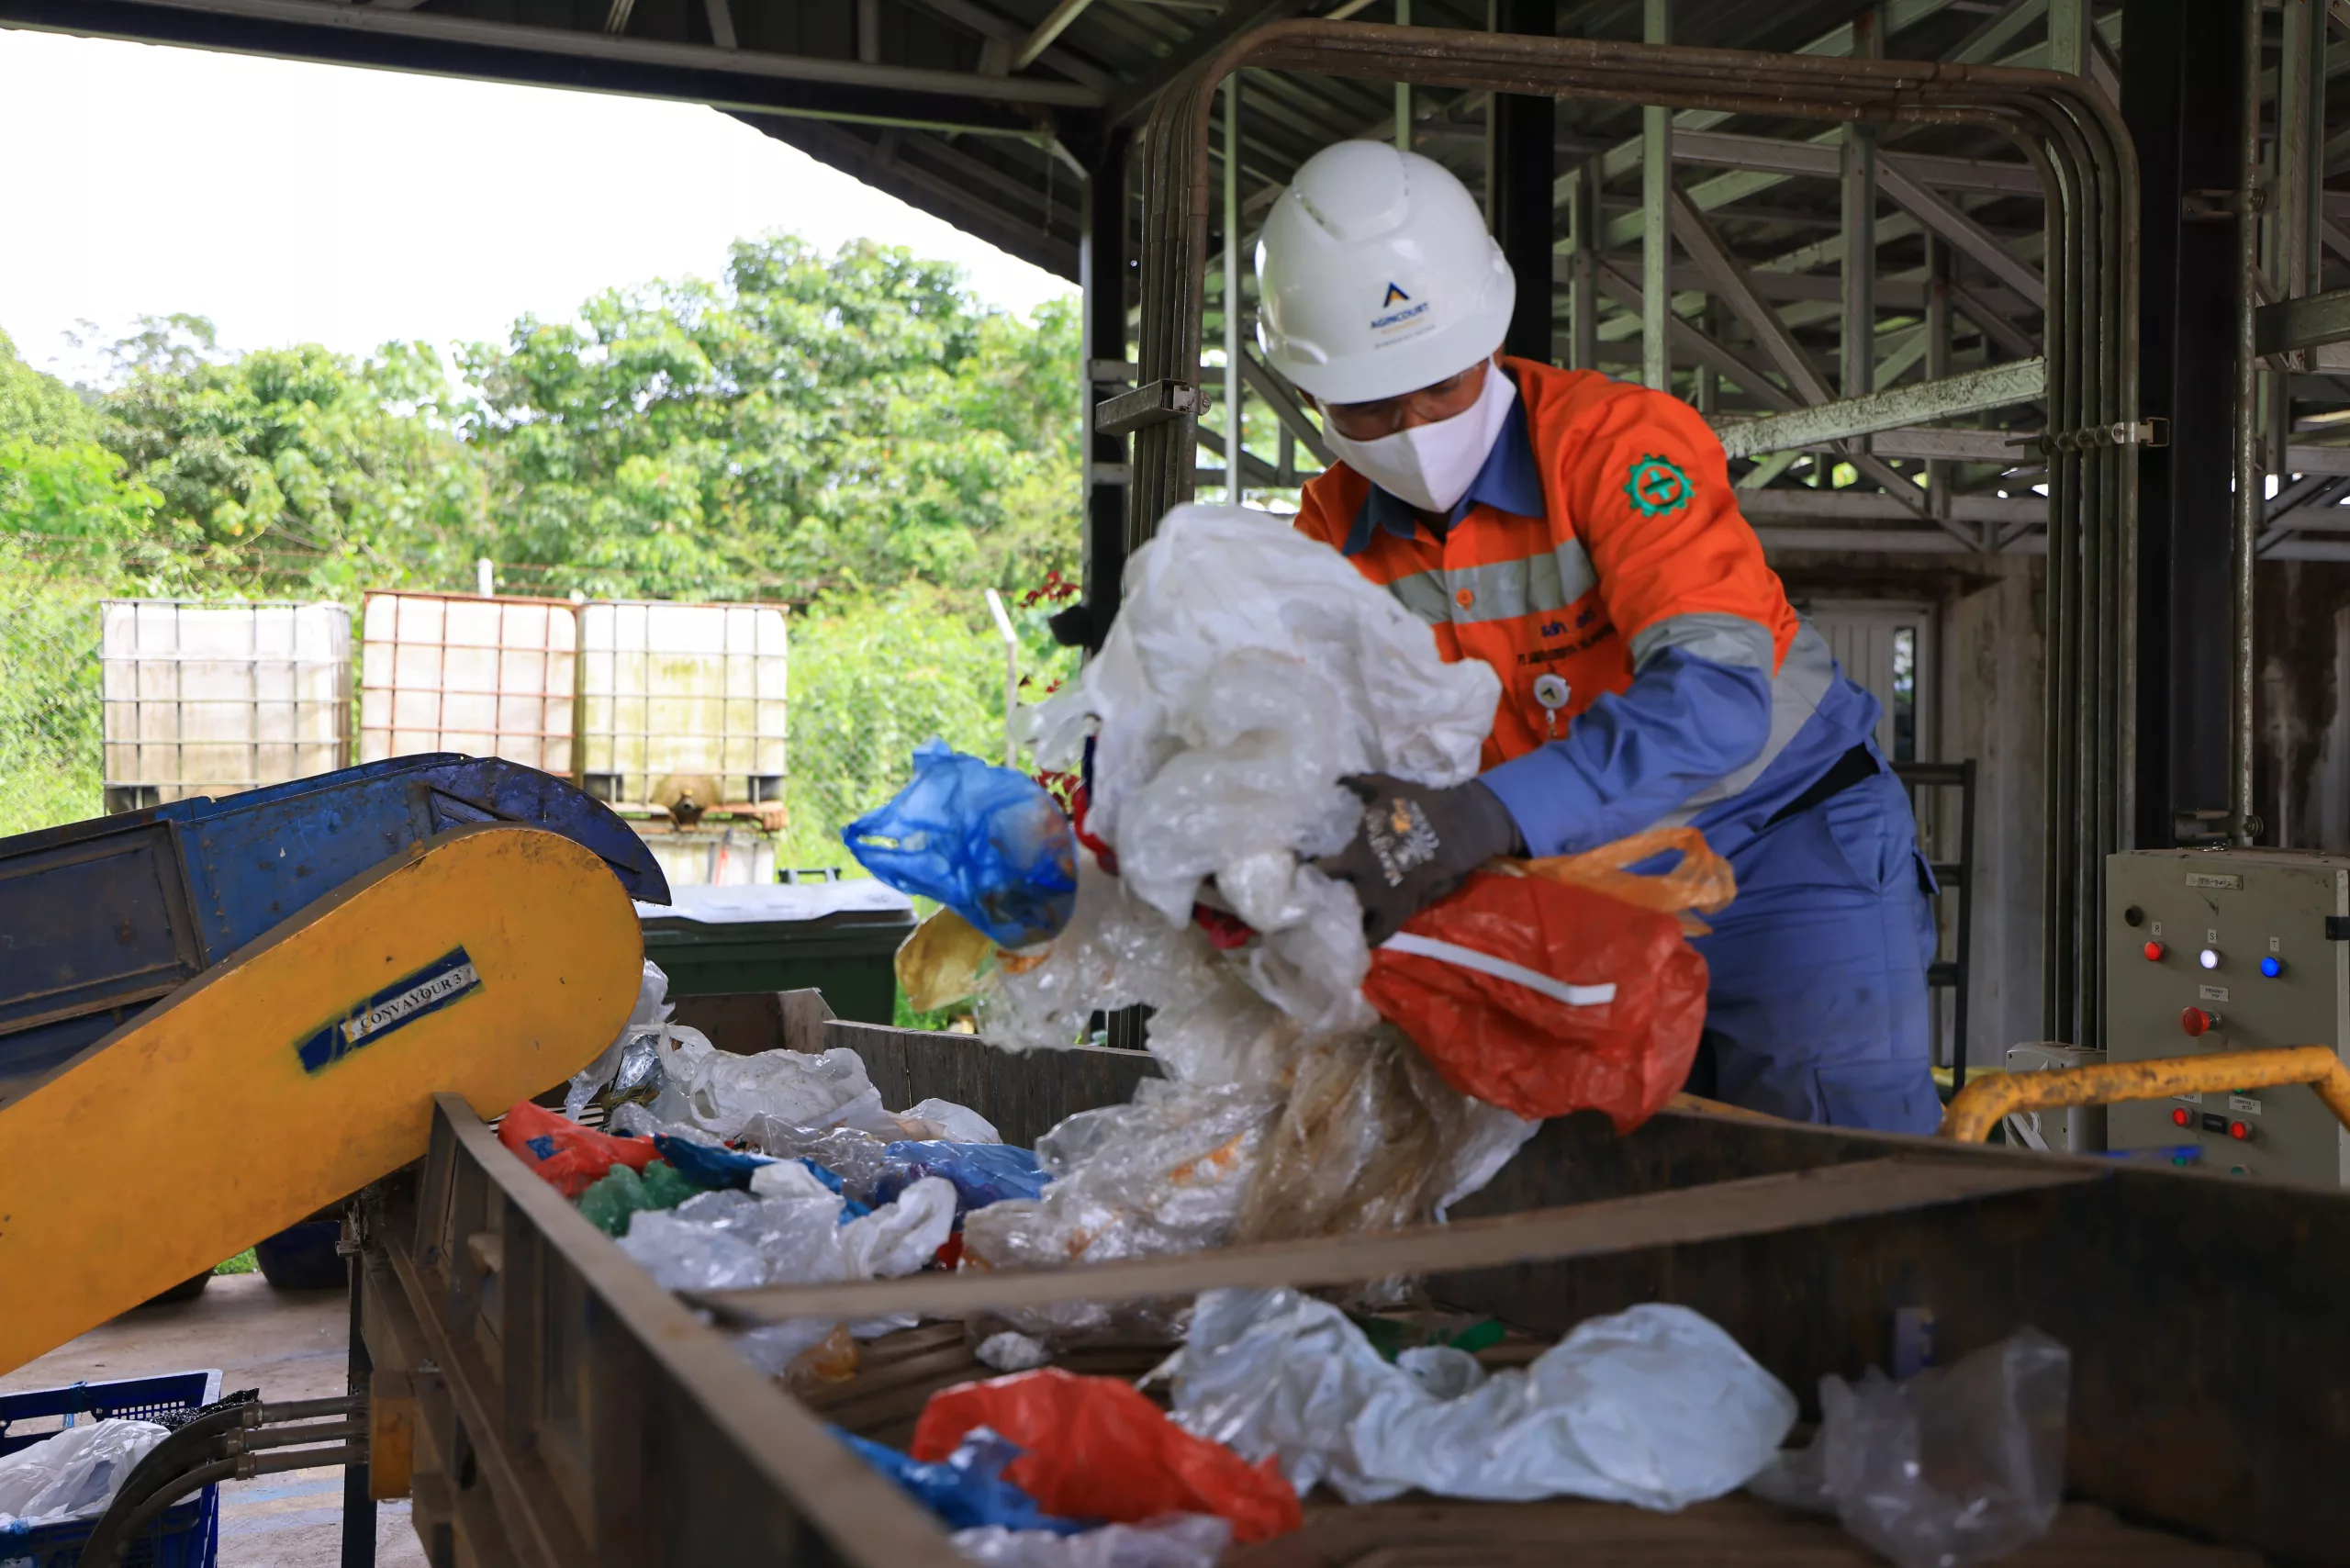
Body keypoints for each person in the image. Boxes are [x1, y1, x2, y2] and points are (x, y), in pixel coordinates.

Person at [1259, 140, 1941, 1134]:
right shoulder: (1328, 530)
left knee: (1835, 1169)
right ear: (1312, 398)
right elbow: (1291, 724)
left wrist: (1483, 816)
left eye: (1440, 385)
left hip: (1780, 842)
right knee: (1589, 1175)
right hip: (1578, 872)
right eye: (1369, 407)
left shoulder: (1620, 447)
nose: (1411, 425)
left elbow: (1712, 701)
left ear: (1488, 337)